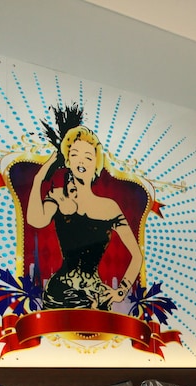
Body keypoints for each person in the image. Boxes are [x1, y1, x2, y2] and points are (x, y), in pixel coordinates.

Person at [26, 125, 143, 311]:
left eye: (88, 157)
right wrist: (38, 179)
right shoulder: (59, 196)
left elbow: (137, 256)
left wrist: (120, 291)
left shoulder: (110, 207)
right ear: (68, 161)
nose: (81, 161)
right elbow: (36, 220)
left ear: (96, 164)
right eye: (74, 155)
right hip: (59, 295)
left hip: (94, 297)